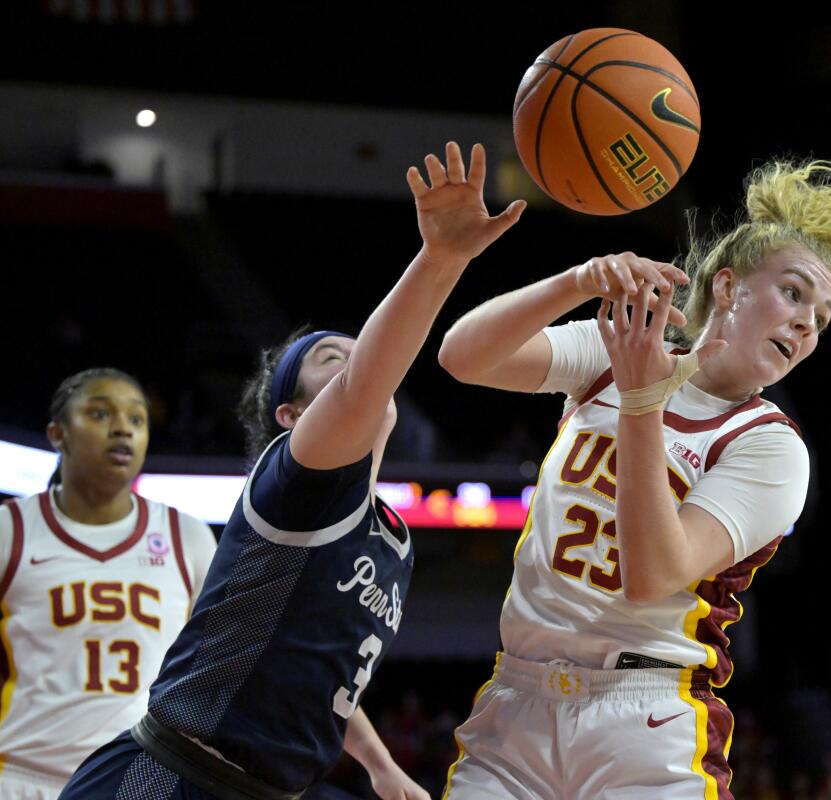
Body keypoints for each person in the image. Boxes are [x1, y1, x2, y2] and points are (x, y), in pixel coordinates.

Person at [437, 158, 831, 798]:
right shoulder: (624, 354)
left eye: (822, 318)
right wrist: (577, 281)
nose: (808, 324)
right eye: (794, 292)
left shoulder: (771, 448)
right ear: (727, 288)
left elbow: (653, 577)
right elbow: (462, 356)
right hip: (517, 703)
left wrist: (641, 404)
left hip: (643, 716)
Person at [59, 141, 524, 800]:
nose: (357, 359)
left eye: (355, 350)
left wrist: (382, 767)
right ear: (291, 415)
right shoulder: (297, 483)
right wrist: (441, 258)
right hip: (168, 777)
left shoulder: (387, 535)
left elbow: (321, 667)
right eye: (330, 360)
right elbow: (369, 380)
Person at [0, 368, 217, 799]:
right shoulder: (11, 530)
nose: (123, 428)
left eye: (137, 420)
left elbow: (220, 664)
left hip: (138, 779)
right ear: (57, 434)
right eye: (100, 415)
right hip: (24, 775)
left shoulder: (186, 535)